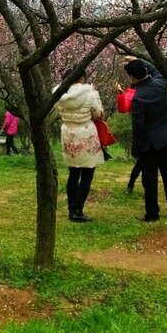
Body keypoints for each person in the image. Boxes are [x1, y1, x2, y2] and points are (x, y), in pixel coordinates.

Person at [124, 58, 167, 222]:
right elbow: (156, 68)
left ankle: (152, 213)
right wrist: (138, 60)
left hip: (149, 144)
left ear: (132, 78)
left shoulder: (138, 98)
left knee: (149, 179)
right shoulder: (162, 84)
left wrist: (136, 149)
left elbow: (138, 127)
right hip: (166, 138)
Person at [54, 69, 104, 222]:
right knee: (87, 174)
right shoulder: (89, 94)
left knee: (73, 173)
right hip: (86, 134)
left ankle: (72, 208)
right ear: (82, 77)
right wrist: (96, 95)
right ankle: (78, 209)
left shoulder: (59, 94)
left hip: (69, 134)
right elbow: (99, 114)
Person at [115, 83, 141, 195]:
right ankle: (131, 184)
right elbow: (123, 108)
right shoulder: (132, 93)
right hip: (141, 131)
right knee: (141, 162)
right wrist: (121, 94)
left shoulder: (155, 89)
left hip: (156, 131)